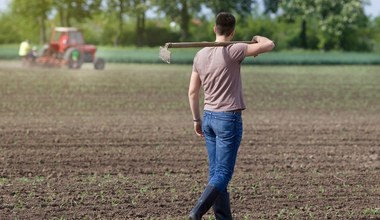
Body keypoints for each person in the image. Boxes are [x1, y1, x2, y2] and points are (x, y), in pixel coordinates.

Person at [188, 12, 275, 219]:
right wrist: (256, 38)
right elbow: (269, 44)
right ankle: (196, 213)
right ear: (233, 31)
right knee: (223, 174)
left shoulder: (200, 55)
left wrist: (196, 119)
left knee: (216, 175)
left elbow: (192, 92)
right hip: (228, 119)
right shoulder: (234, 49)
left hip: (208, 118)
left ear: (214, 28)